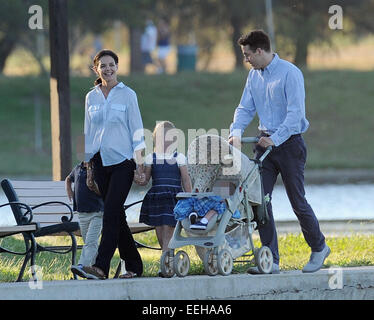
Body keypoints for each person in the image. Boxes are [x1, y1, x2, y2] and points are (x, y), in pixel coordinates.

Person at [228, 30, 330, 274]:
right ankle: (270, 259)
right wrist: (236, 132)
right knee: (260, 201)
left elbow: (296, 116)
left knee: (297, 201)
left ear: (260, 51)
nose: (246, 60)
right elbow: (245, 107)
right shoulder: (253, 76)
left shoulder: (290, 73)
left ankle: (319, 247)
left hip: (289, 144)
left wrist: (275, 139)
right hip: (264, 145)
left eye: (248, 55)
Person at [81, 49, 146, 280]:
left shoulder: (128, 95)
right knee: (116, 215)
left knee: (110, 212)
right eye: (103, 66)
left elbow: (137, 131)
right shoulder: (91, 97)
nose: (108, 69)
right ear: (96, 69)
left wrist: (140, 165)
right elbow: (88, 132)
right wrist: (88, 168)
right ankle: (135, 267)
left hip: (123, 162)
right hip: (99, 163)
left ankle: (101, 267)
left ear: (117, 67)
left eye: (111, 65)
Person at [135, 121, 192, 254]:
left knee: (169, 226)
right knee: (159, 229)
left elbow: (185, 179)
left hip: (173, 198)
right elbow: (145, 180)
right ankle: (166, 256)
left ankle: (167, 257)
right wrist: (138, 177)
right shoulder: (151, 158)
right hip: (157, 199)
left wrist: (189, 197)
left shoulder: (179, 157)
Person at [65, 162, 104, 279]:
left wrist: (92, 183)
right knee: (89, 242)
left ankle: (82, 266)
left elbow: (102, 191)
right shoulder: (78, 168)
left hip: (97, 213)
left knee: (91, 242)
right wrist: (69, 189)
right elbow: (68, 178)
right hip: (82, 214)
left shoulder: (98, 168)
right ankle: (94, 270)